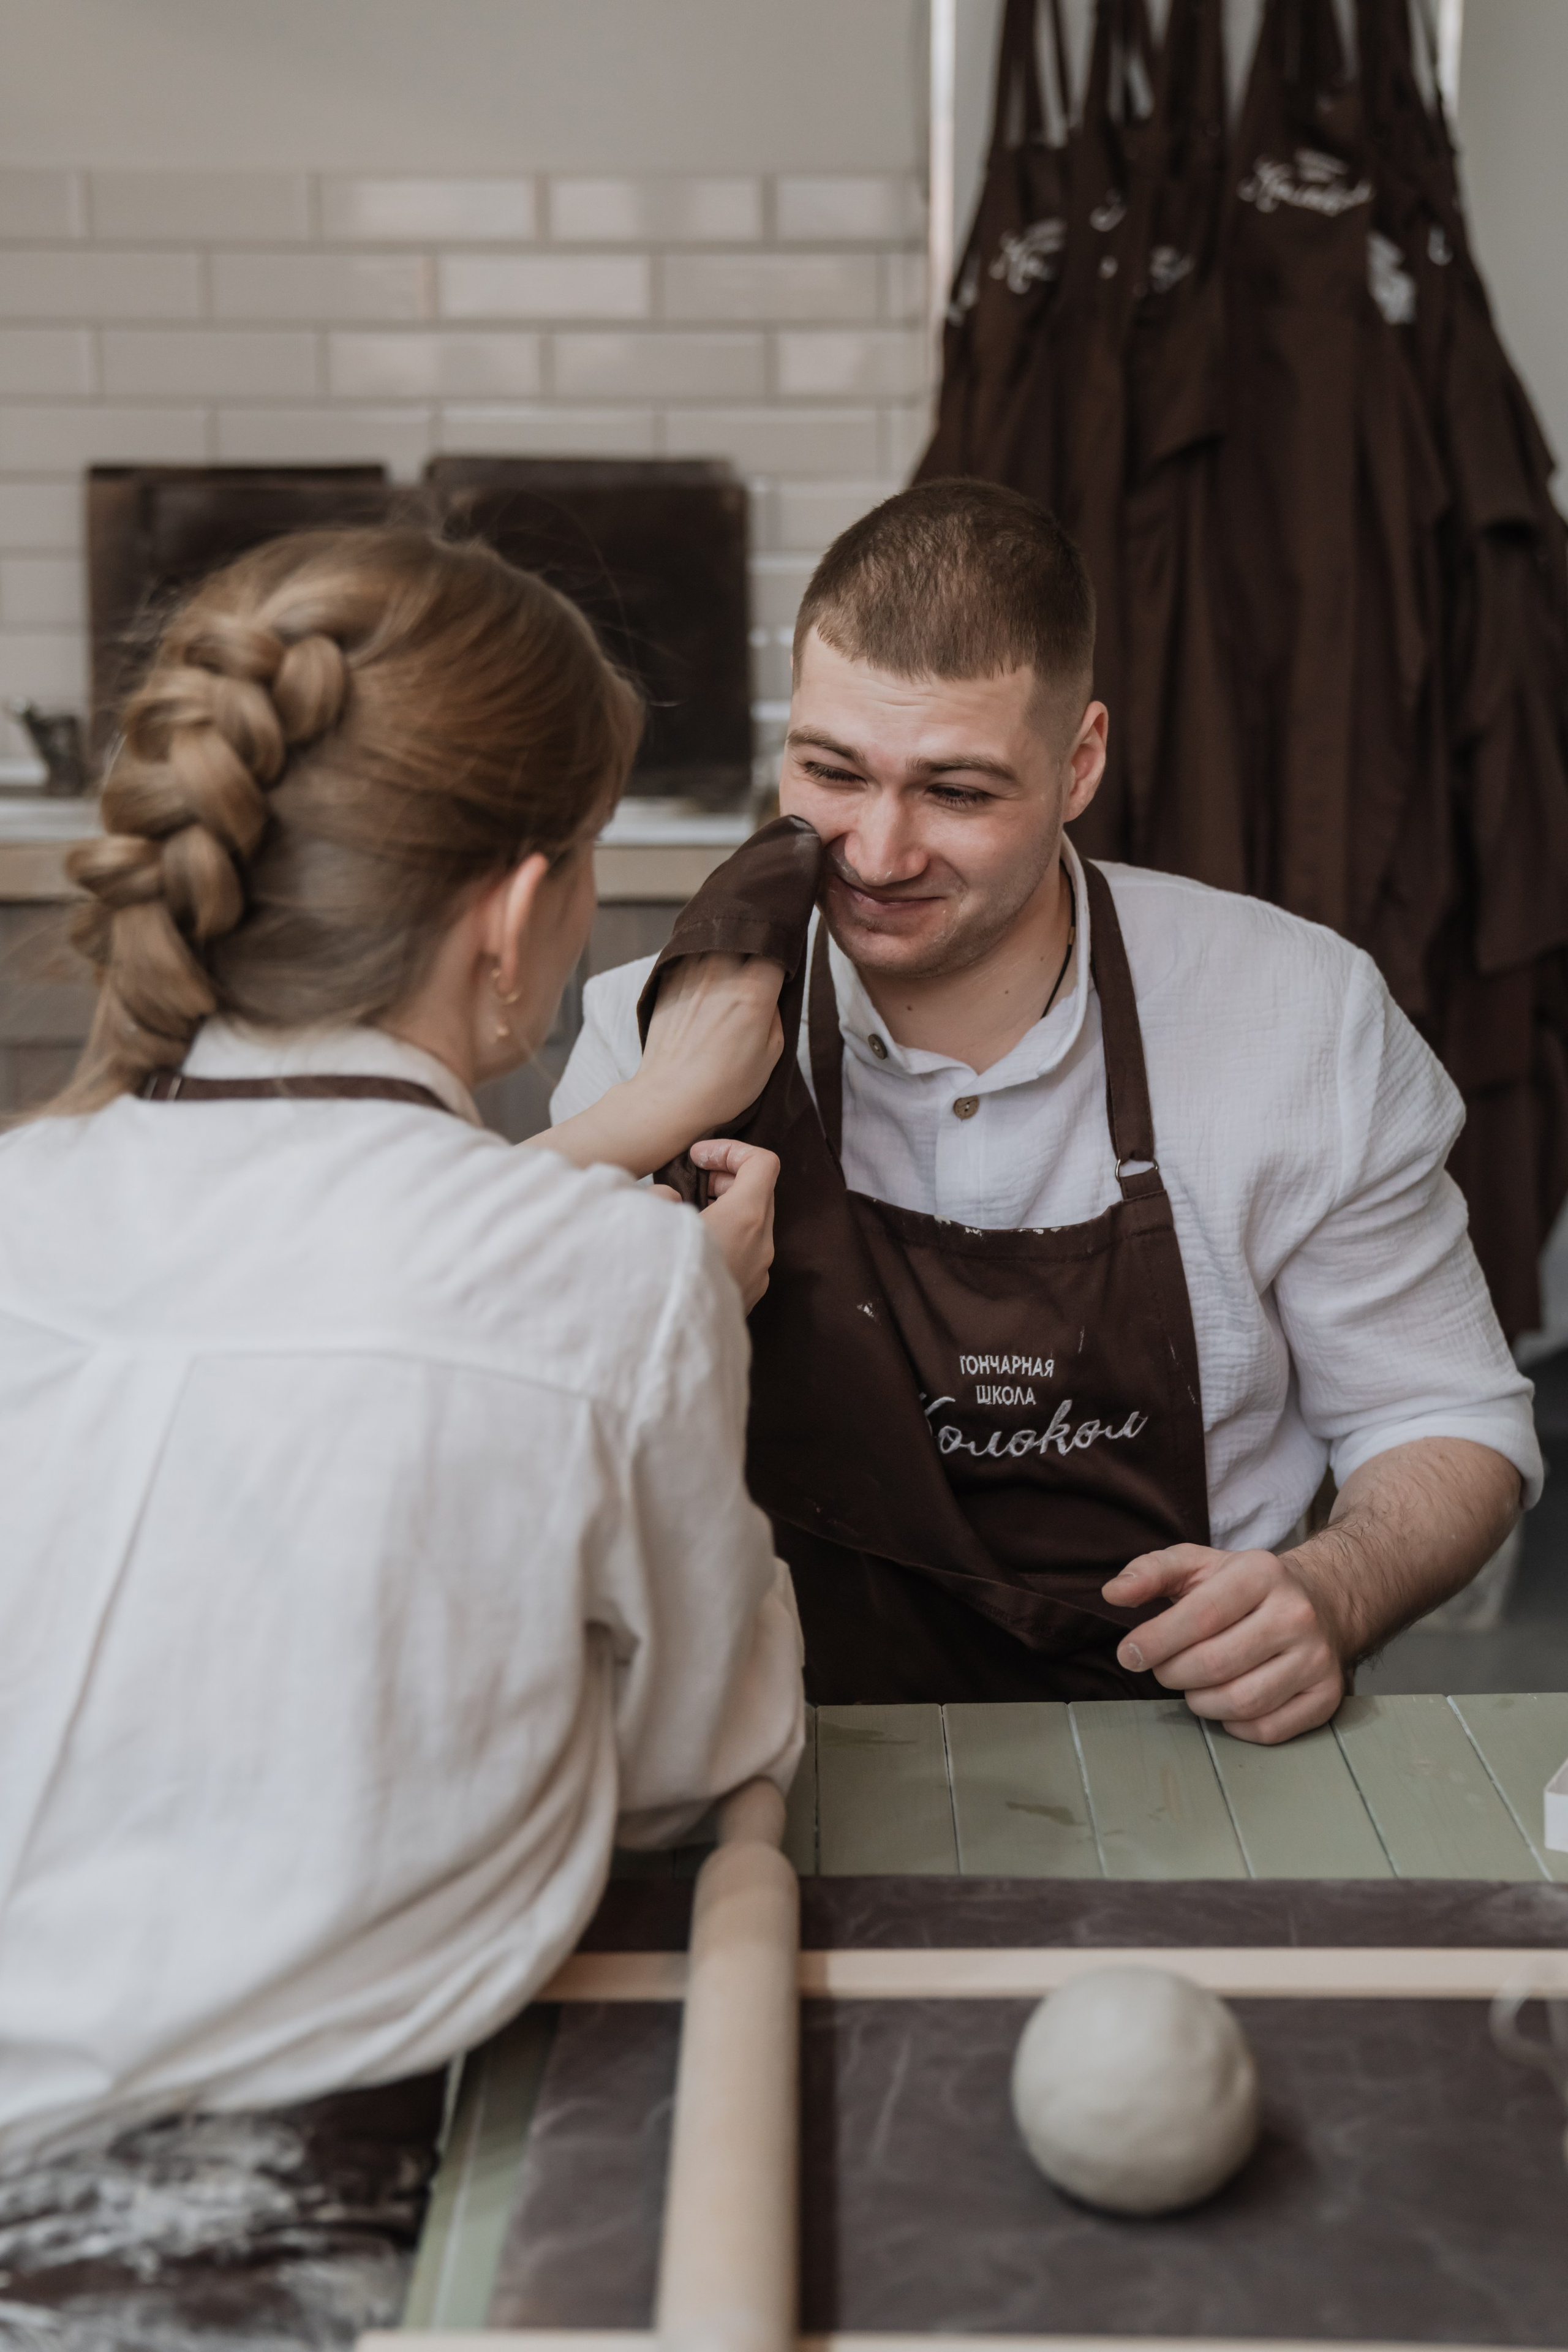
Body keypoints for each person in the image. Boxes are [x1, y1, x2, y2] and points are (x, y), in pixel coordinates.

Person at [0, 527, 801, 2343]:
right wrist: (683, 1335)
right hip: (242, 2247)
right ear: (515, 916)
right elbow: (691, 1763)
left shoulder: (19, 1193)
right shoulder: (619, 1282)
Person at [554, 478, 1540, 1742]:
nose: (875, 851)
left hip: (1192, 1756)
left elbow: (1439, 1416)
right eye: (830, 771)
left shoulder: (1299, 1017)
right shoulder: (654, 1028)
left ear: (1079, 763)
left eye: (957, 792)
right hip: (773, 1751)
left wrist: (1326, 1593)